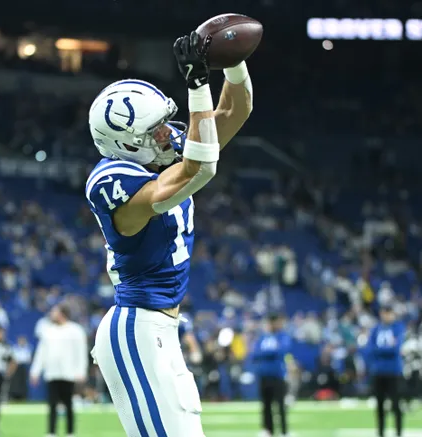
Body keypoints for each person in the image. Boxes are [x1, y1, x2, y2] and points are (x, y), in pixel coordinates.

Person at [88, 30, 253, 437]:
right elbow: (201, 168)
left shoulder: (156, 157)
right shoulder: (112, 182)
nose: (167, 134)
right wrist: (197, 84)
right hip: (137, 329)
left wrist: (230, 59)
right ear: (126, 145)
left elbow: (237, 110)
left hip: (160, 330)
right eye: (155, 130)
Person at [30, 304, 88, 437]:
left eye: (54, 312)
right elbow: (41, 353)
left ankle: (70, 432)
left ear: (62, 314)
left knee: (68, 404)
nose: (52, 314)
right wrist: (35, 371)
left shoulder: (75, 330)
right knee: (52, 405)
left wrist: (81, 371)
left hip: (69, 373)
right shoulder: (48, 331)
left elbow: (81, 352)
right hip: (52, 373)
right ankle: (51, 432)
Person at [368, 305, 405, 437]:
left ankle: (399, 432)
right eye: (385, 313)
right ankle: (380, 433)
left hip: (393, 371)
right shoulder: (375, 329)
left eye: (390, 313)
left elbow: (395, 349)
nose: (387, 316)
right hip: (378, 372)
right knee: (379, 405)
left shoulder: (398, 328)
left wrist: (382, 349)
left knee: (396, 404)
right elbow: (371, 349)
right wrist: (386, 348)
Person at [252, 314, 290, 437]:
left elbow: (282, 350)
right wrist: (269, 352)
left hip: (278, 375)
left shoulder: (282, 336)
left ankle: (284, 431)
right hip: (264, 376)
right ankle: (268, 430)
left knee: (280, 405)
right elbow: (255, 353)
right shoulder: (262, 337)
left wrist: (266, 352)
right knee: (266, 405)